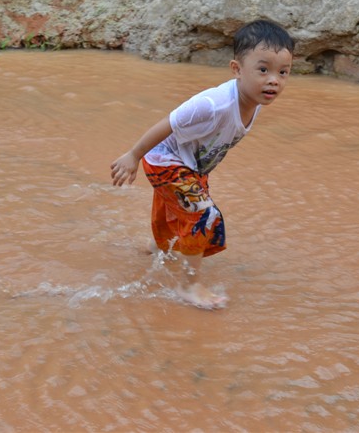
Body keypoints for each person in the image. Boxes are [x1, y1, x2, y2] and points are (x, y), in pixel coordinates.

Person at [110, 19, 295, 309]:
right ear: (236, 69)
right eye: (263, 70)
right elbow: (169, 122)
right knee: (202, 215)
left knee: (173, 212)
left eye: (283, 72)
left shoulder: (255, 101)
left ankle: (157, 247)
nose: (274, 80)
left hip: (190, 166)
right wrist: (133, 155)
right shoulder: (213, 103)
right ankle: (189, 286)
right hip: (164, 160)